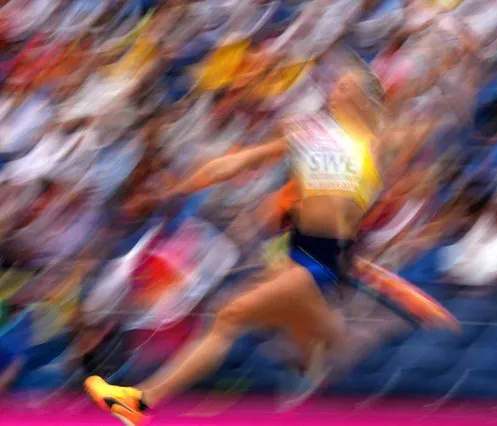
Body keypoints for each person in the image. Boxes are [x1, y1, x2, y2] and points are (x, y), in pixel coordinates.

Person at [84, 55, 393, 426]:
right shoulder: (310, 134)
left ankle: (137, 402)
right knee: (242, 320)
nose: (335, 92)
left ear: (363, 98)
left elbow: (356, 196)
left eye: (345, 87)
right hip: (299, 250)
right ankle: (338, 340)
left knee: (230, 315)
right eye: (338, 85)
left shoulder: (372, 143)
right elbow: (239, 162)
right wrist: (177, 189)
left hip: (327, 257)